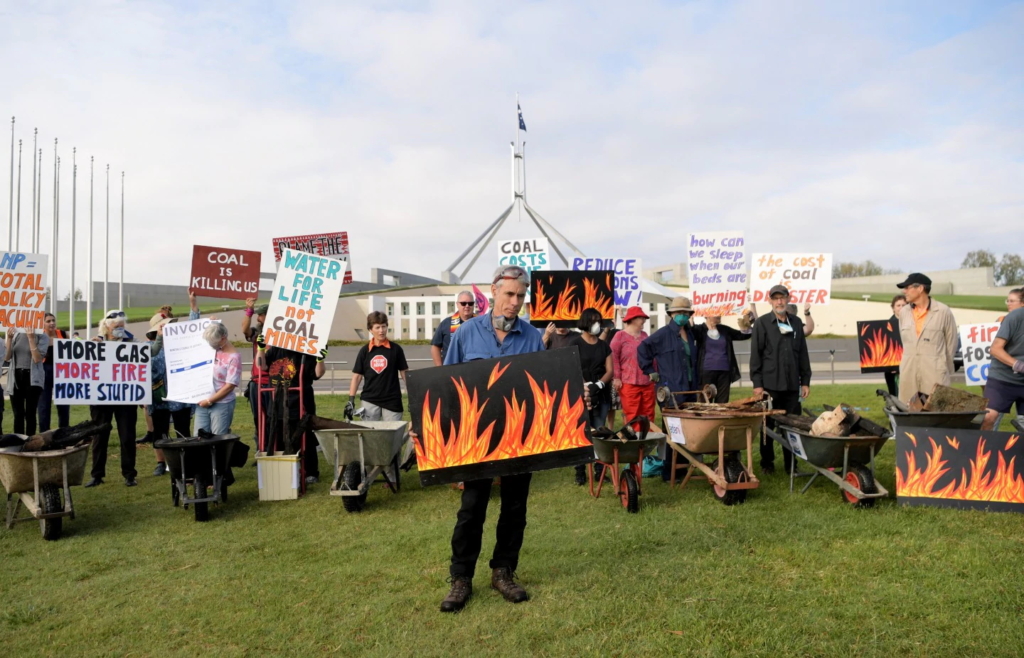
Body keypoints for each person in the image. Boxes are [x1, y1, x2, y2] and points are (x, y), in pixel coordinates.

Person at [433, 265, 545, 613]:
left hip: (519, 438)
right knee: (471, 509)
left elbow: (544, 388)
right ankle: (461, 577)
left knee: (515, 508)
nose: (515, 302)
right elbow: (448, 385)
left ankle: (503, 572)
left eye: (521, 296)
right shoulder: (465, 334)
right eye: (510, 294)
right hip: (476, 439)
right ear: (494, 291)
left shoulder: (533, 337)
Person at [750, 285, 811, 475]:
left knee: (792, 425)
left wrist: (805, 381)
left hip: (792, 385)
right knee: (767, 427)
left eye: (782, 298)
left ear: (788, 298)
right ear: (770, 301)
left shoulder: (796, 322)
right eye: (775, 298)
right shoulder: (762, 323)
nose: (779, 302)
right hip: (769, 386)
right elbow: (756, 356)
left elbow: (802, 354)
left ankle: (791, 464)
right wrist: (758, 384)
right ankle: (767, 463)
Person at [638, 296, 699, 482]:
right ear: (671, 314)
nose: (682, 316)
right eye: (678, 313)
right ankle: (668, 472)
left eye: (685, 313)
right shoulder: (663, 334)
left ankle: (684, 468)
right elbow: (642, 349)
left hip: (690, 388)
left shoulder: (691, 333)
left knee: (688, 430)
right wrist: (650, 371)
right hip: (670, 390)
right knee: (672, 432)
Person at [257, 338, 327, 484]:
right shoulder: (276, 349)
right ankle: (284, 469)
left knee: (305, 435)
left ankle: (310, 472)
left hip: (300, 400)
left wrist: (320, 359)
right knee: (278, 435)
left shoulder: (306, 350)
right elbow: (261, 366)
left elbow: (318, 374)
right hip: (278, 401)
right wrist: (261, 349)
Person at [86, 310, 139, 487]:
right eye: (117, 327)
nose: (120, 330)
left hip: (125, 396)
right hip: (101, 397)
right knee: (100, 436)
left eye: (122, 326)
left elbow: (145, 357)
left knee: (127, 436)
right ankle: (97, 475)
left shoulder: (132, 342)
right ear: (107, 326)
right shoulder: (96, 342)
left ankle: (129, 474)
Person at [895, 273, 958, 403]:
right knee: (908, 410)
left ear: (920, 288)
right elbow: (905, 342)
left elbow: (951, 343)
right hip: (909, 372)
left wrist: (940, 365)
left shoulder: (943, 311)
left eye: (907, 287)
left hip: (934, 372)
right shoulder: (904, 312)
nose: (904, 291)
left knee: (937, 411)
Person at [569, 307, 613, 485]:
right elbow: (571, 366)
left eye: (599, 320)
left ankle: (600, 470)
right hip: (580, 393)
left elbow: (610, 370)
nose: (597, 324)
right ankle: (580, 471)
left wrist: (599, 384)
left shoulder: (604, 345)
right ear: (585, 322)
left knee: (599, 430)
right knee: (580, 433)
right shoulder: (574, 343)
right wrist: (584, 386)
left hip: (600, 394)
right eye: (593, 320)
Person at [147, 315, 192, 476]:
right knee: (159, 431)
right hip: (158, 396)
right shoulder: (149, 347)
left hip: (179, 396)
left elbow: (194, 329)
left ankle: (186, 459)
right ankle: (161, 462)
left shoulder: (180, 345)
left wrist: (194, 308)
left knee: (182, 428)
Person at [349, 312, 409, 421]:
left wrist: (413, 395)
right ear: (370, 330)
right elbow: (357, 376)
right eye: (377, 327)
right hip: (369, 400)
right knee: (370, 436)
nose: (381, 331)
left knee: (392, 435)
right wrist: (351, 399)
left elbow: (405, 373)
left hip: (392, 400)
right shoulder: (364, 351)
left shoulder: (396, 349)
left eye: (384, 326)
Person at [691, 308, 754, 403]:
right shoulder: (699, 329)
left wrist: (746, 326)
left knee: (722, 401)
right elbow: (690, 332)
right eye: (715, 313)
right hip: (706, 372)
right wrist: (691, 318)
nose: (719, 315)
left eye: (719, 313)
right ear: (707, 315)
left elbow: (742, 335)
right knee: (705, 400)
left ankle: (719, 418)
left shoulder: (724, 329)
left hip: (725, 371)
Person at [611, 306, 655, 430]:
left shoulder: (645, 335)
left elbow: (652, 357)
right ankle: (634, 443)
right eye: (642, 318)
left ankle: (648, 441)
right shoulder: (620, 336)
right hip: (628, 382)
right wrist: (617, 378)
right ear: (634, 319)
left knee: (649, 413)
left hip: (647, 381)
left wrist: (655, 373)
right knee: (632, 415)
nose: (644, 321)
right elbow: (613, 358)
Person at [982, 306, 1024, 430]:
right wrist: (1018, 365)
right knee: (988, 418)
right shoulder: (1016, 317)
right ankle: (983, 448)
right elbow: (995, 348)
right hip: (1003, 378)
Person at [196, 322, 241, 435]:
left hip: (222, 403)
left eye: (214, 342)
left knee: (218, 438)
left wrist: (210, 401)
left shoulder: (233, 357)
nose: (211, 344)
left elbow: (230, 386)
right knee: (198, 437)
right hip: (203, 401)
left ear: (223, 338)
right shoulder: (212, 349)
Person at [5, 327, 48, 435]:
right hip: (16, 377)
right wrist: (9, 339)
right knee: (18, 413)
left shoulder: (42, 336)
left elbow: (37, 359)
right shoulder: (16, 334)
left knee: (30, 413)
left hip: (32, 377)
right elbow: (7, 357)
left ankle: (30, 441)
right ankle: (18, 441)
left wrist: (31, 339)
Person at [242, 298, 270, 443]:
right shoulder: (257, 332)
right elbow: (245, 330)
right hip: (257, 381)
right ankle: (261, 447)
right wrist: (249, 311)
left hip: (273, 381)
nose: (258, 318)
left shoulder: (280, 333)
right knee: (258, 417)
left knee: (273, 417)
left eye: (260, 315)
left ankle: (273, 447)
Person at [37, 313, 70, 432]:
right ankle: (44, 434)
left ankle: (64, 432)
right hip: (44, 371)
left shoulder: (63, 334)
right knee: (44, 406)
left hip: (62, 372)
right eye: (48, 321)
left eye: (53, 320)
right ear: (43, 324)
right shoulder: (39, 336)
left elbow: (76, 347)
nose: (51, 323)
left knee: (64, 405)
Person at [431, 291, 476, 366]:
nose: (467, 306)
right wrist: (439, 369)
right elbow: (435, 346)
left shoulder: (481, 323)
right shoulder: (446, 323)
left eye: (470, 303)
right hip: (451, 368)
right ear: (457, 304)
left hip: (474, 367)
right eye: (463, 303)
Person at [884, 294, 907, 397]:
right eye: (898, 305)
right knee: (895, 395)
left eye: (904, 305)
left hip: (909, 365)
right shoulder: (887, 326)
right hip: (892, 368)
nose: (901, 308)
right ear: (893, 308)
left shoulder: (913, 323)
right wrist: (892, 365)